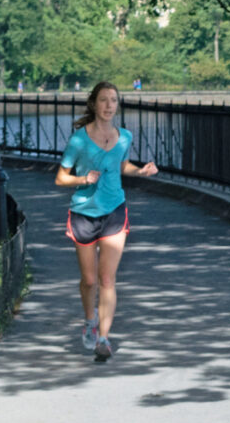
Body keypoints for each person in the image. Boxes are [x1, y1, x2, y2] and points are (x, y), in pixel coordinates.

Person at [56, 81, 158, 362]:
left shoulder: (124, 136)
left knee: (107, 279)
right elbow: (60, 177)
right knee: (89, 280)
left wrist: (141, 171)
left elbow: (121, 165)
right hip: (84, 213)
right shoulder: (79, 139)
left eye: (113, 100)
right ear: (94, 104)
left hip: (114, 211)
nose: (109, 105)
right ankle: (90, 321)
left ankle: (103, 338)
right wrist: (82, 179)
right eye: (103, 100)